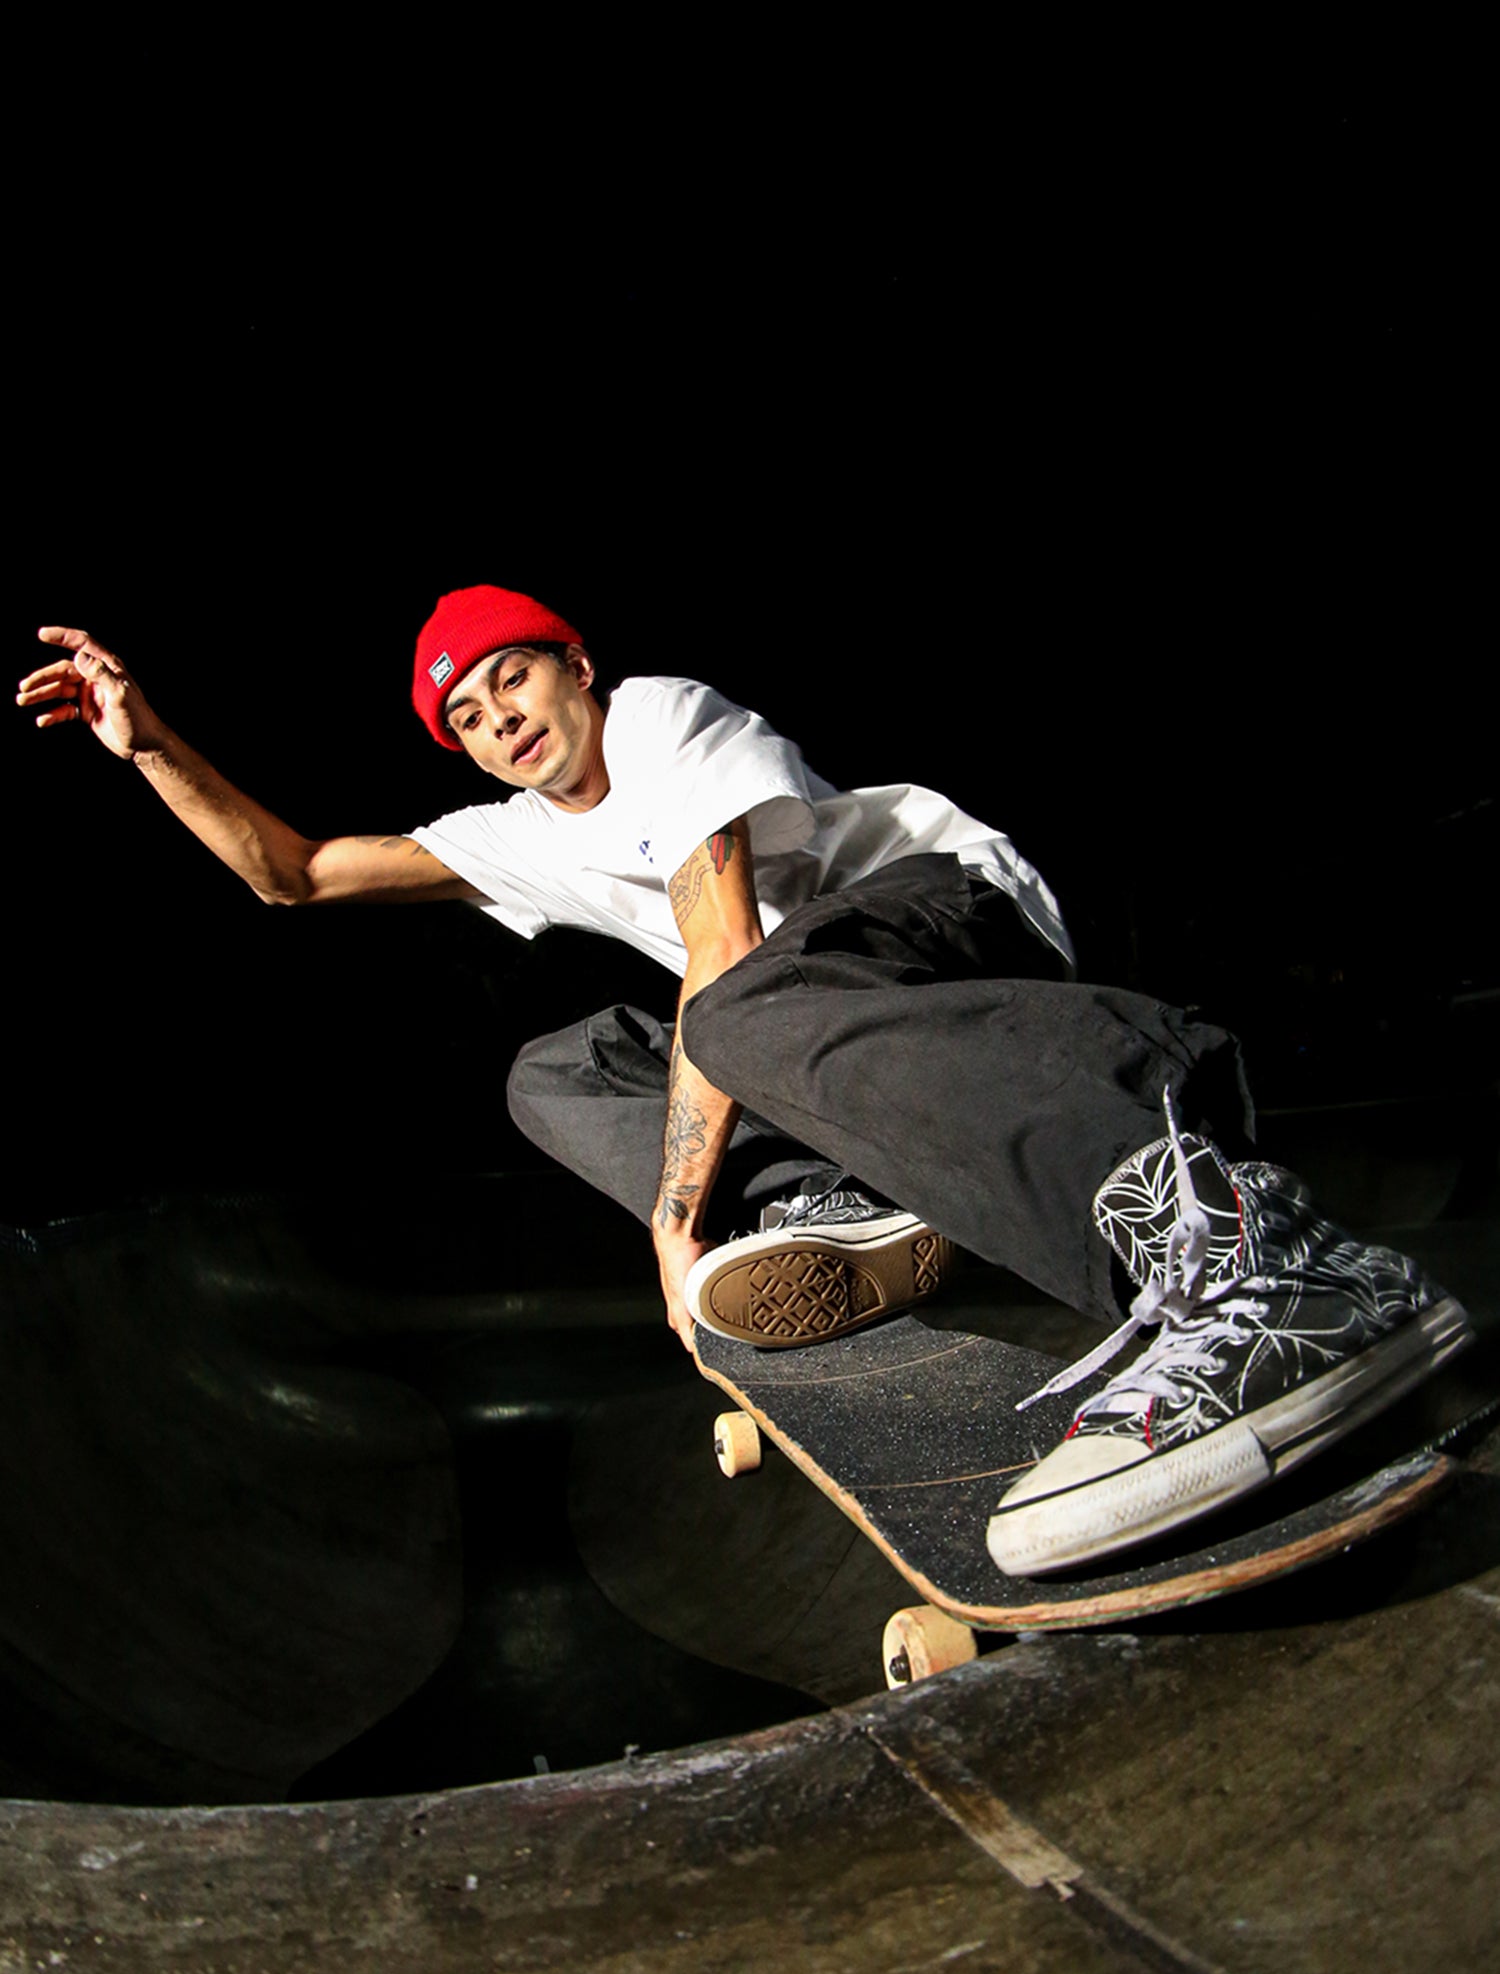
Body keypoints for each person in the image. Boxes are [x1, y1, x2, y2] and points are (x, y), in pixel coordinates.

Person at [17, 592, 1470, 1579]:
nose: (500, 718)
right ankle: (828, 1200)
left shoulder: (662, 717)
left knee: (733, 1007)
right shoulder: (512, 836)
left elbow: (719, 944)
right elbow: (292, 874)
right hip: (815, 1042)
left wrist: (675, 1225)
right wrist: (151, 748)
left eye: (513, 677)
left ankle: (1256, 1257)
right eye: (466, 715)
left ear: (576, 667)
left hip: (950, 930)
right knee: (557, 1068)